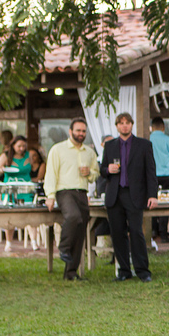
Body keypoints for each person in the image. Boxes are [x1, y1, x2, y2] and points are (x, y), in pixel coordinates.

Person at [101, 112, 159, 282]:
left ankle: (143, 271)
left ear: (132, 125)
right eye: (121, 123)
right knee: (117, 233)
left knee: (136, 232)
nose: (124, 125)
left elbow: (151, 172)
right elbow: (102, 169)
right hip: (115, 194)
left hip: (135, 194)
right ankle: (124, 271)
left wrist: (152, 195)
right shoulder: (109, 146)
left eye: (127, 122)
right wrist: (108, 169)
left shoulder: (144, 145)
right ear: (117, 126)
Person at [43, 119, 98, 280]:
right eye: (78, 130)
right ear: (70, 131)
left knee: (80, 231)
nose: (81, 133)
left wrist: (89, 173)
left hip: (82, 192)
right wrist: (50, 196)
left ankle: (71, 272)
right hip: (65, 192)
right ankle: (64, 247)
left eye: (83, 131)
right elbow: (51, 174)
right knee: (73, 216)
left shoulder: (89, 152)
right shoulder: (58, 149)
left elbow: (95, 174)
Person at [0, 136, 40, 250]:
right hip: (10, 188)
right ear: (13, 145)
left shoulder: (29, 155)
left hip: (26, 188)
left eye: (24, 146)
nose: (21, 148)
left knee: (31, 214)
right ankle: (8, 243)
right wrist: (1, 170)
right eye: (19, 146)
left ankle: (34, 242)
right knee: (10, 216)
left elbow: (33, 167)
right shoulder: (6, 156)